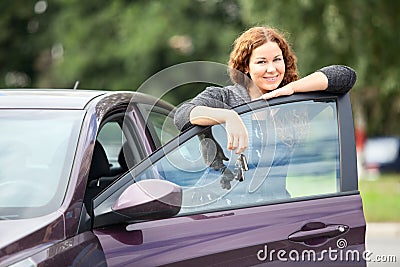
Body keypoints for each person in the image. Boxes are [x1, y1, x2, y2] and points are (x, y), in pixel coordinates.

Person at [174, 25, 357, 156]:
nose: (272, 69)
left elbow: (345, 76)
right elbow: (181, 115)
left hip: (277, 204)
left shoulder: (294, 102)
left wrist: (292, 88)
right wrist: (228, 116)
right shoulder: (224, 97)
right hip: (227, 206)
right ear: (245, 66)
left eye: (277, 60)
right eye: (261, 62)